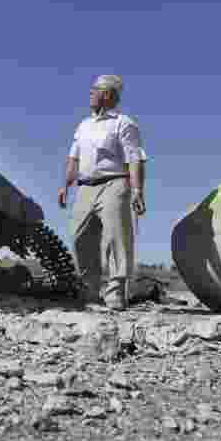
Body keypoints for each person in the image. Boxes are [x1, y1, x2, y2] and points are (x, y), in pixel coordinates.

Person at [58, 75, 146, 309]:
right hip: (85, 186)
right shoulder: (83, 125)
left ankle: (116, 291)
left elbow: (135, 158)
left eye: (94, 90)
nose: (90, 94)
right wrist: (65, 185)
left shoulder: (123, 123)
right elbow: (73, 158)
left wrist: (137, 190)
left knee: (117, 237)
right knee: (79, 236)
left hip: (115, 183)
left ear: (107, 94)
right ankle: (90, 289)